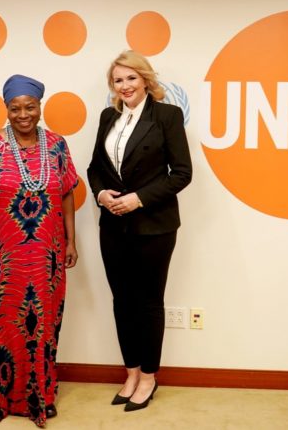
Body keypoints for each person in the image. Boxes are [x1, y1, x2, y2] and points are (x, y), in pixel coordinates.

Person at [0, 74, 78, 427]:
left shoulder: (57, 146)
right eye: (15, 108)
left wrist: (71, 241)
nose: (23, 114)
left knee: (43, 325)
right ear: (6, 109)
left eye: (30, 107)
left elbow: (67, 195)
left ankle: (42, 394)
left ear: (40, 107)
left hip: (47, 253)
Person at [87, 50, 192, 412]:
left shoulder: (167, 116)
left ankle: (148, 376)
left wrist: (139, 199)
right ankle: (131, 372)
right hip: (112, 225)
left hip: (153, 226)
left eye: (131, 78)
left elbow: (182, 173)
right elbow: (95, 168)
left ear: (146, 79)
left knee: (148, 303)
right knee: (122, 301)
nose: (125, 85)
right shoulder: (108, 117)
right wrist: (100, 194)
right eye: (118, 80)